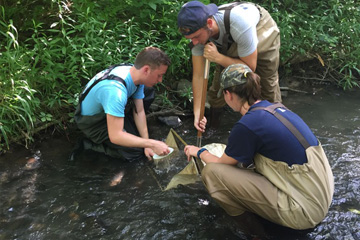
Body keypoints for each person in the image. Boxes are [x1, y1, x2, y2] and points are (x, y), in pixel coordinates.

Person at [184, 64, 334, 230]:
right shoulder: (277, 108)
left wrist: (198, 151)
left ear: (228, 94)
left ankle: (254, 232)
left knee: (212, 173)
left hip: (304, 212)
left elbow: (220, 164)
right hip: (322, 195)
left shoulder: (247, 124)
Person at [177, 1, 282, 131]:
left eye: (196, 37)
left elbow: (249, 69)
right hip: (228, 43)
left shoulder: (240, 24)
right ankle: (213, 129)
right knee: (218, 89)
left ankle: (274, 129)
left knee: (267, 88)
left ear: (209, 23)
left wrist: (218, 58)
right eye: (190, 38)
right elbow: (199, 76)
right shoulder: (198, 35)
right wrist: (198, 112)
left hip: (261, 31)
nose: (194, 42)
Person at [73, 47, 171, 161]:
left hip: (108, 109)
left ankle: (127, 128)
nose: (161, 80)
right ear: (146, 70)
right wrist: (152, 144)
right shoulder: (115, 92)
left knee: (148, 92)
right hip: (93, 122)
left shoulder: (135, 73)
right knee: (135, 152)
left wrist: (146, 143)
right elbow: (116, 136)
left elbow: (139, 111)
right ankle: (90, 145)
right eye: (159, 75)